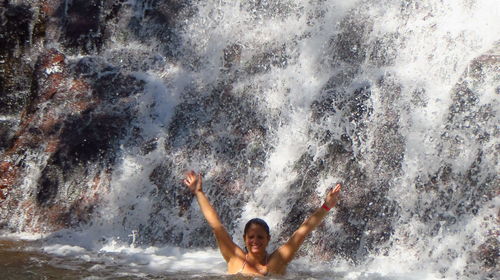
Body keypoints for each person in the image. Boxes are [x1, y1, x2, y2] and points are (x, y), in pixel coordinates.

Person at [183, 170, 342, 276]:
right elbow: (216, 226)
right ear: (245, 238)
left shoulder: (277, 260)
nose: (255, 241)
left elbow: (301, 232)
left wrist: (326, 206)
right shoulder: (235, 258)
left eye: (260, 237)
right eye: (251, 237)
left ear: (268, 239)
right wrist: (199, 192)